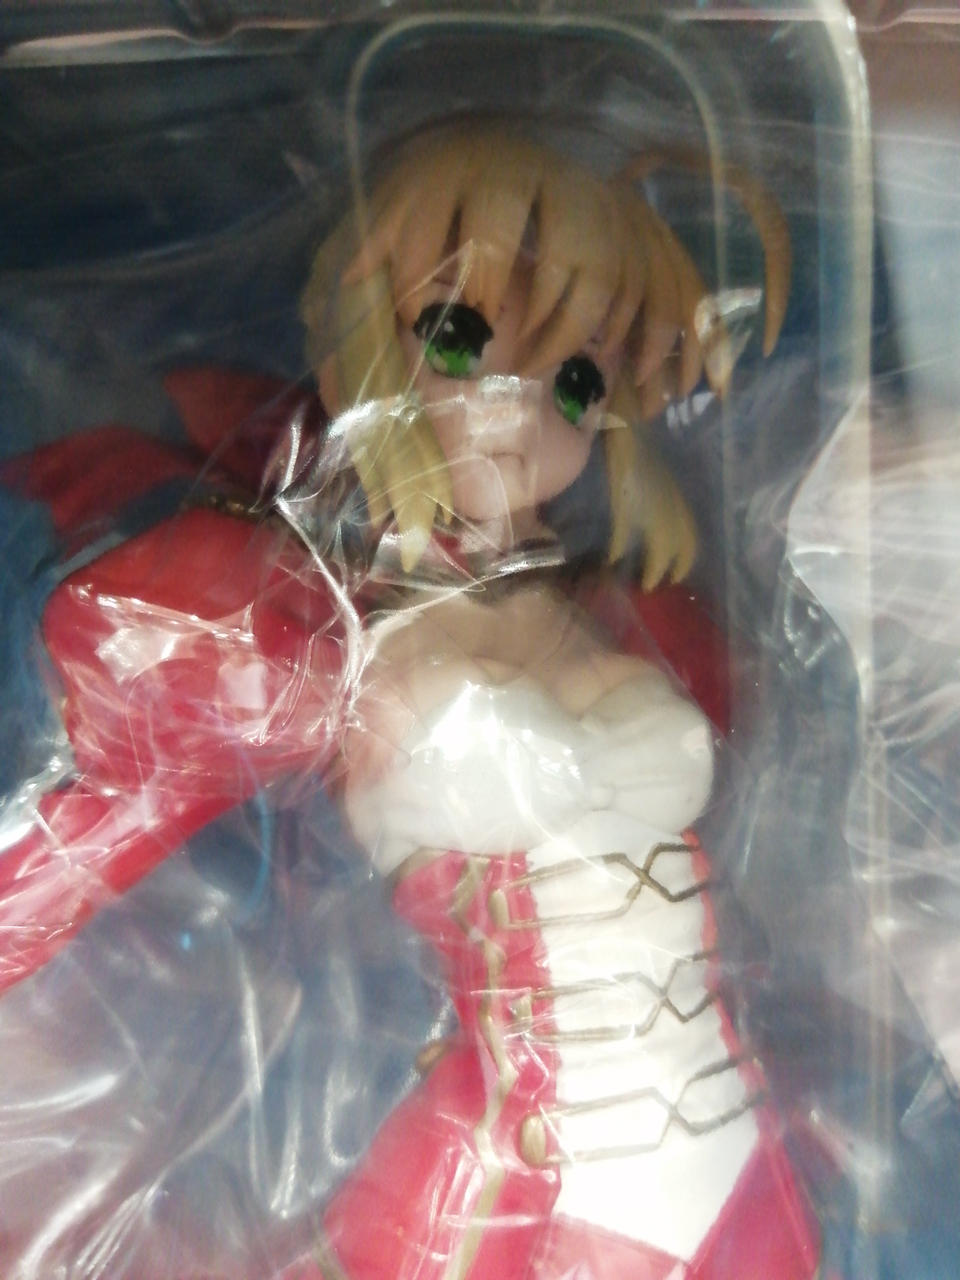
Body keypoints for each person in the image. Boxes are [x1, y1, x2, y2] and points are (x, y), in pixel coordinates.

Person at [0, 121, 815, 1277]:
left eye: (575, 381)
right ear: (358, 342)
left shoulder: (632, 616)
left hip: (744, 1179)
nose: (515, 407)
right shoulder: (315, 626)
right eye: (456, 338)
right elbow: (84, 843)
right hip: (501, 1208)